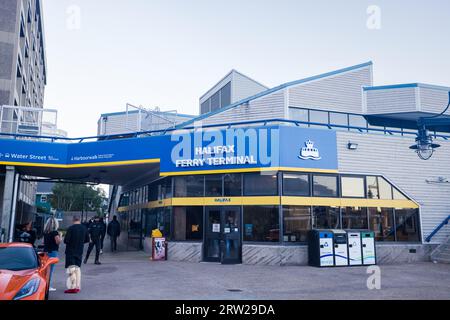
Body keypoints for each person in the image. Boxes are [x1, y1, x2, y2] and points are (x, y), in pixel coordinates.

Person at [64, 215, 89, 294]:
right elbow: (87, 239)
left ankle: (73, 287)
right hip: (79, 251)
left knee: (71, 269)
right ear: (80, 219)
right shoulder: (84, 228)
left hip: (70, 251)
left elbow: (66, 240)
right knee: (78, 269)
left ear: (73, 219)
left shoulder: (71, 228)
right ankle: (78, 286)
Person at [43, 216, 61, 292]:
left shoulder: (46, 232)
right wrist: (61, 236)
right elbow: (58, 242)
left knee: (46, 270)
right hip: (53, 252)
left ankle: (44, 285)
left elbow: (44, 242)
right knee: (50, 270)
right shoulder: (55, 232)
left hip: (46, 252)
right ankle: (48, 286)